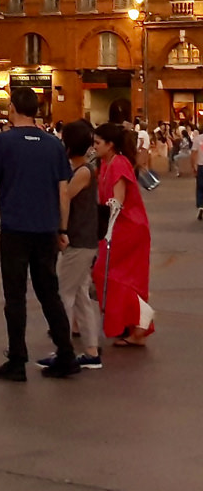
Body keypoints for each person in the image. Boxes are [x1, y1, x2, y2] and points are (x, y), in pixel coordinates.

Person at [0, 86, 79, 380]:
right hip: (46, 229)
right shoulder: (54, 145)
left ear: (13, 109)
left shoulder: (4, 143)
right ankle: (66, 353)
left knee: (15, 295)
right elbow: (63, 191)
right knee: (49, 293)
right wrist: (63, 228)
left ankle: (17, 359)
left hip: (15, 229)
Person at [38, 120, 101, 370]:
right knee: (81, 295)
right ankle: (91, 351)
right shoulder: (81, 169)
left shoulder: (83, 172)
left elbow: (62, 196)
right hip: (84, 241)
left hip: (78, 241)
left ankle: (62, 350)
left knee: (62, 294)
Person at [92, 122, 155, 347]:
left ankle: (139, 321)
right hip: (123, 225)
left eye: (98, 143)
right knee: (120, 277)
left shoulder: (117, 164)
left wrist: (105, 230)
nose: (95, 146)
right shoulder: (107, 162)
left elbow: (116, 200)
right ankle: (135, 323)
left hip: (125, 227)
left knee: (111, 275)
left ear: (110, 145)